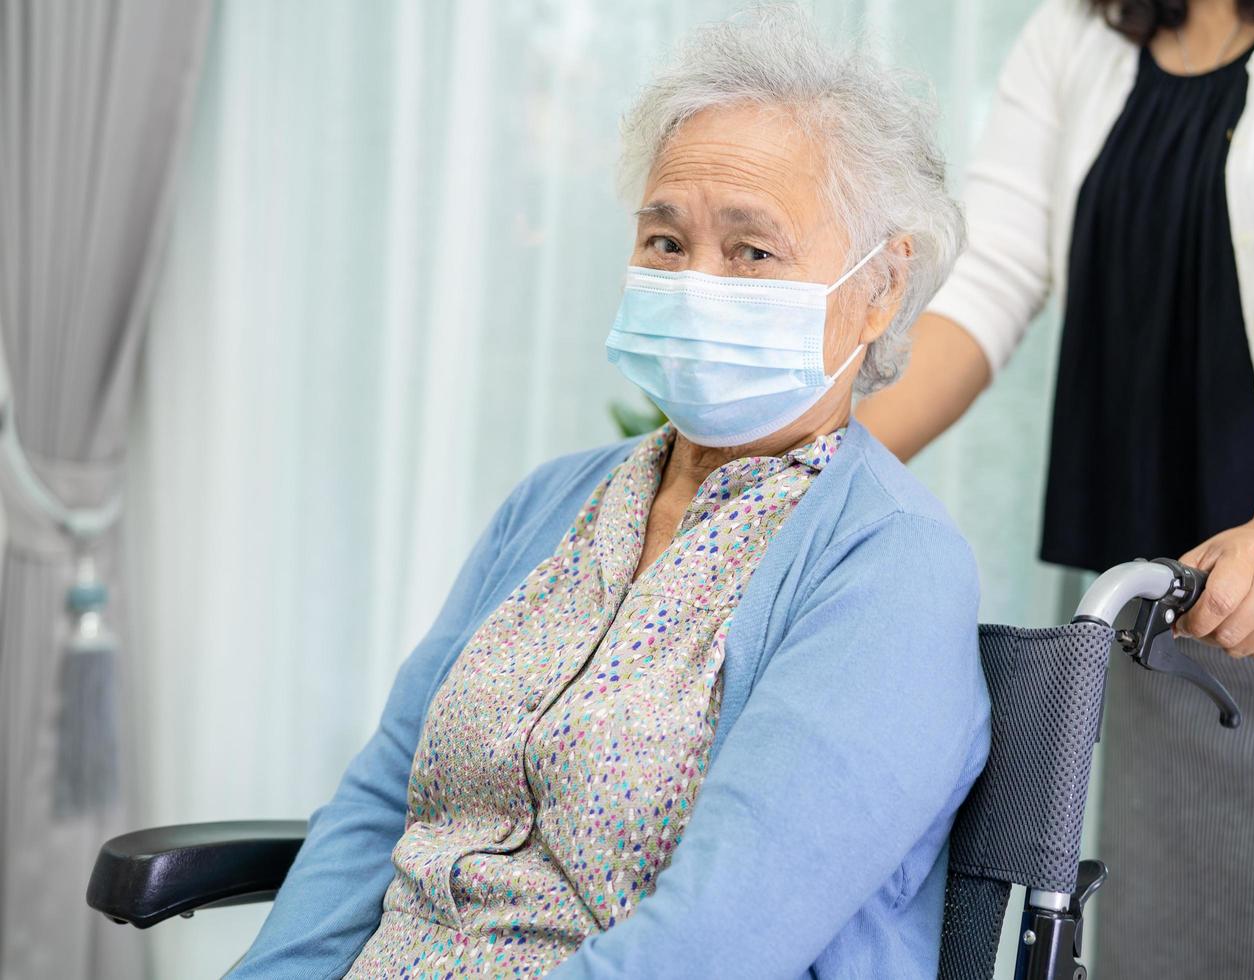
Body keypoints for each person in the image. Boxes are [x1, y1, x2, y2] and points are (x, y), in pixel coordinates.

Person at [229, 9, 987, 979]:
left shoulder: (890, 566)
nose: (696, 279)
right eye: (666, 241)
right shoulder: (553, 502)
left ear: (880, 288)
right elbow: (386, 798)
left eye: (752, 251)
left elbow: (721, 942)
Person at [857, 0, 1254, 976]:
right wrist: (800, 468)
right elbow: (989, 277)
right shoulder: (1079, 30)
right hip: (1154, 609)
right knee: (1156, 945)